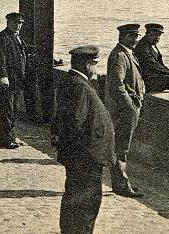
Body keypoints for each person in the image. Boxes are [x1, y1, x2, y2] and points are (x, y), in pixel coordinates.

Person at [52, 45, 116, 234]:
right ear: (87, 65)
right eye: (94, 64)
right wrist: (82, 156)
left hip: (80, 158)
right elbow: (74, 124)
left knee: (76, 201)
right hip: (85, 159)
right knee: (86, 205)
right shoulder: (79, 85)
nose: (96, 69)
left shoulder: (71, 81)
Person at [105, 23, 145, 197]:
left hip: (129, 107)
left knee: (123, 146)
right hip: (124, 109)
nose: (135, 40)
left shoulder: (128, 54)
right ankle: (122, 184)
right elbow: (116, 84)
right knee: (121, 147)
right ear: (122, 37)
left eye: (136, 36)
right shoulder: (119, 56)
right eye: (132, 36)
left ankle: (121, 181)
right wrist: (129, 104)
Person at [0, 11, 27, 149]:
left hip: (17, 80)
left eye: (20, 23)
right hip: (6, 80)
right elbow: (1, 59)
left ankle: (11, 136)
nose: (18, 26)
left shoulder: (17, 37)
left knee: (13, 109)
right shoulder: (2, 37)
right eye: (15, 23)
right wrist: (3, 76)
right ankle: (5, 140)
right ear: (8, 23)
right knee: (6, 109)